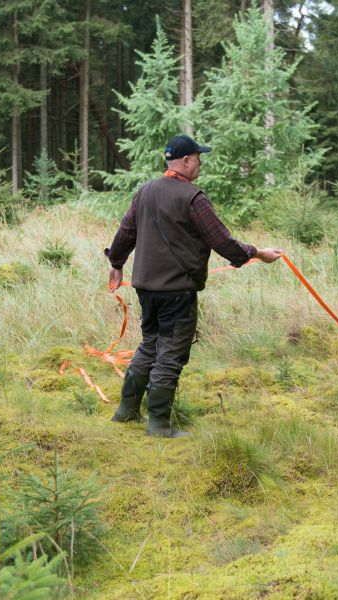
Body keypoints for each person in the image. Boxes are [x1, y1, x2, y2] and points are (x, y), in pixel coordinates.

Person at [104, 134, 282, 438]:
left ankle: (126, 411)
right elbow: (222, 241)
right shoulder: (193, 198)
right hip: (177, 293)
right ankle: (159, 425)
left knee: (150, 344)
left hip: (146, 289)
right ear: (186, 160)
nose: (200, 163)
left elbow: (125, 233)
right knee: (170, 353)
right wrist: (257, 254)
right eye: (198, 157)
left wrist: (117, 264)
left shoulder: (144, 191)